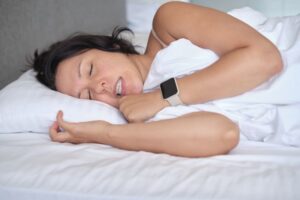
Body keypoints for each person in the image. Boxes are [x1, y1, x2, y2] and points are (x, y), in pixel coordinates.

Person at [31, 2, 285, 158]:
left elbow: (265, 59)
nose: (99, 88)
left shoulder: (168, 24)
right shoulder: (145, 114)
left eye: (90, 70)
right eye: (86, 96)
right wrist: (105, 133)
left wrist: (163, 95)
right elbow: (223, 133)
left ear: (110, 46)